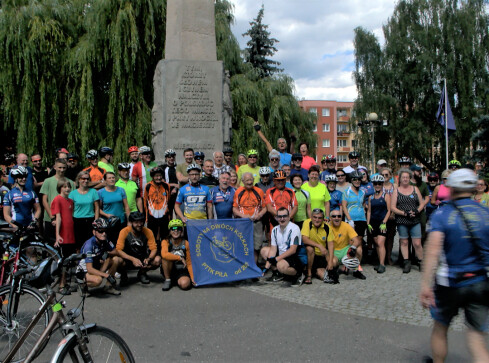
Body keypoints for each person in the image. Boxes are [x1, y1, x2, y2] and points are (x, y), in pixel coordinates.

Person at [420, 169, 489, 363]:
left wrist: (425, 285)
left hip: (449, 283)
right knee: (476, 340)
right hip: (479, 281)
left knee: (440, 328)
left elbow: (432, 252)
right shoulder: (485, 213)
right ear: (474, 187)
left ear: (450, 188)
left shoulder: (442, 214)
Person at [77, 218, 122, 295]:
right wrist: (106, 275)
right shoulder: (89, 245)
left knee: (116, 259)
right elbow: (89, 269)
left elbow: (115, 252)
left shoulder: (105, 239)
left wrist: (107, 253)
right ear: (94, 232)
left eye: (105, 231)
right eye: (100, 231)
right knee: (98, 280)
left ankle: (108, 287)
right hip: (84, 271)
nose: (104, 233)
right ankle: (82, 285)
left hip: (96, 265)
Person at [390, 168, 424, 273]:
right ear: (399, 179)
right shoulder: (396, 191)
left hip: (415, 219)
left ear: (410, 178)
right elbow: (393, 207)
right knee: (404, 241)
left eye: (407, 177)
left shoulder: (415, 189)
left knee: (417, 242)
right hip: (402, 220)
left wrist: (416, 211)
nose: (405, 179)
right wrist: (404, 213)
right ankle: (406, 262)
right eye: (403, 177)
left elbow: (422, 203)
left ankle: (421, 262)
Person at [261, 207, 304, 286]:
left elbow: (293, 250)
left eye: (284, 216)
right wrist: (266, 267)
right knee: (264, 251)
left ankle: (298, 274)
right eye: (280, 217)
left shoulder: (295, 228)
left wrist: (276, 259)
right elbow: (273, 249)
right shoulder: (275, 230)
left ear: (288, 217)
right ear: (276, 218)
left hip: (293, 256)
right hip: (281, 255)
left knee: (280, 265)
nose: (282, 219)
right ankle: (279, 274)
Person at [116, 211, 161, 285]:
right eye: (136, 222)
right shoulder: (124, 231)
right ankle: (123, 275)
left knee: (157, 260)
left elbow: (154, 248)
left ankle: (142, 273)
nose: (139, 224)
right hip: (128, 258)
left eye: (141, 222)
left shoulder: (148, 231)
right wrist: (132, 259)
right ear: (131, 223)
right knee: (116, 260)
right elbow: (119, 250)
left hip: (142, 259)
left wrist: (148, 259)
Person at [233, 172, 267, 262]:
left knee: (256, 246)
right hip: (242, 223)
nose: (249, 182)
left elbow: (265, 208)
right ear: (243, 181)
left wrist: (259, 215)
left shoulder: (259, 191)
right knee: (243, 245)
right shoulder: (238, 191)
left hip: (257, 222)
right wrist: (243, 216)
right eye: (247, 180)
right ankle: (244, 267)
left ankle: (254, 267)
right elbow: (234, 209)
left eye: (251, 180)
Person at [40, 159, 76, 241]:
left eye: (64, 168)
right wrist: (52, 217)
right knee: (50, 244)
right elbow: (44, 200)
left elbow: (72, 201)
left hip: (65, 219)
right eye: (59, 167)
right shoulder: (48, 181)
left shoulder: (70, 183)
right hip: (50, 218)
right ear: (55, 167)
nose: (62, 170)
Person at [51, 179, 76, 294]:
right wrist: (57, 235)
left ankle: (66, 283)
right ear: (60, 188)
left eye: (68, 187)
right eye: (64, 187)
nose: (67, 189)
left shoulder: (70, 201)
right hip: (63, 234)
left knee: (69, 260)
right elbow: (58, 217)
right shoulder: (57, 199)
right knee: (64, 260)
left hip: (71, 233)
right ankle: (61, 285)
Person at [327, 209, 366, 280]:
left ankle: (356, 271)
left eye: (339, 216)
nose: (336, 218)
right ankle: (339, 269)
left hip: (345, 249)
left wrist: (353, 248)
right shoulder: (326, 227)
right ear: (330, 218)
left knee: (359, 249)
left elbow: (356, 240)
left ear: (341, 218)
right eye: (334, 216)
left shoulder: (346, 225)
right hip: (333, 251)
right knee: (333, 262)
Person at [301, 208, 336, 284]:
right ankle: (309, 273)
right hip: (309, 254)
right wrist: (319, 246)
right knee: (310, 249)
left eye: (320, 218)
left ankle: (319, 270)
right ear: (311, 217)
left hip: (321, 255)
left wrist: (330, 262)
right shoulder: (307, 223)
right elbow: (304, 239)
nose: (317, 220)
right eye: (315, 217)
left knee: (334, 261)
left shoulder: (327, 227)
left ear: (323, 219)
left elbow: (330, 244)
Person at [161, 219, 194, 291]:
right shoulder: (165, 241)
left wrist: (192, 278)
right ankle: (168, 280)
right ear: (170, 231)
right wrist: (180, 258)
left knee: (185, 284)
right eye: (173, 229)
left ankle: (176, 281)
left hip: (181, 270)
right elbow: (164, 254)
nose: (175, 231)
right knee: (166, 258)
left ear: (181, 231)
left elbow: (189, 263)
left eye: (178, 229)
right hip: (169, 269)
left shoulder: (186, 243)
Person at [69, 170, 100, 249]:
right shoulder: (73, 193)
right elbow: (70, 208)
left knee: (91, 243)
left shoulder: (93, 192)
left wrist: (96, 221)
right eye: (83, 179)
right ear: (79, 179)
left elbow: (97, 208)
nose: (85, 181)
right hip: (78, 220)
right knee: (78, 245)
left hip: (90, 220)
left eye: (87, 179)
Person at [366, 175, 391, 273]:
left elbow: (389, 210)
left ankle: (382, 264)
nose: (377, 185)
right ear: (373, 184)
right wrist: (368, 223)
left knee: (381, 242)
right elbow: (369, 211)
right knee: (376, 243)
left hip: (382, 223)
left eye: (379, 184)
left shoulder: (386, 196)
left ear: (382, 184)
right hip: (373, 223)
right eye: (375, 184)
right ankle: (380, 261)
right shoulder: (370, 197)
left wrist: (384, 222)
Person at [98, 172, 130, 243]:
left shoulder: (121, 190)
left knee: (121, 242)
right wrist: (106, 215)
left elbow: (126, 206)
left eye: (113, 177)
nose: (112, 179)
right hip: (108, 222)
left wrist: (128, 220)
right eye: (109, 178)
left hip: (121, 221)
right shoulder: (101, 192)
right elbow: (98, 209)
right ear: (105, 180)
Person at [144, 167, 171, 241]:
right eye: (156, 176)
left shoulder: (166, 186)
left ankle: (164, 250)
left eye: (160, 175)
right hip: (152, 214)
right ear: (152, 177)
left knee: (165, 235)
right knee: (152, 236)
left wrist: (168, 214)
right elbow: (145, 202)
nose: (158, 178)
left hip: (164, 214)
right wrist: (146, 217)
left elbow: (168, 200)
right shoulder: (148, 186)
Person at [341, 170, 367, 240]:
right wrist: (349, 220)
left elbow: (363, 204)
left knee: (360, 241)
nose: (357, 181)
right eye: (354, 179)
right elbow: (344, 206)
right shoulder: (347, 192)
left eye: (359, 179)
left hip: (361, 219)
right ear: (351, 180)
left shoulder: (363, 192)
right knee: (351, 241)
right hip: (350, 220)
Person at [382, 167, 397, 265]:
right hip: (382, 215)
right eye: (382, 175)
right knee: (382, 237)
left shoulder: (394, 186)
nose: (384, 177)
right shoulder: (379, 186)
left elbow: (397, 200)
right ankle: (381, 258)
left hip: (392, 214)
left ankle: (389, 257)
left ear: (390, 176)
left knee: (390, 237)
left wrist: (393, 213)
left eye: (386, 175)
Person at [160, 149, 179, 217]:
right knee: (168, 212)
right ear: (166, 158)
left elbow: (180, 181)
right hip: (167, 192)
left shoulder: (178, 167)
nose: (171, 158)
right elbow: (162, 181)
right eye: (169, 157)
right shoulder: (162, 168)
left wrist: (176, 188)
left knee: (178, 212)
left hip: (177, 192)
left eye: (173, 157)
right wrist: (173, 185)